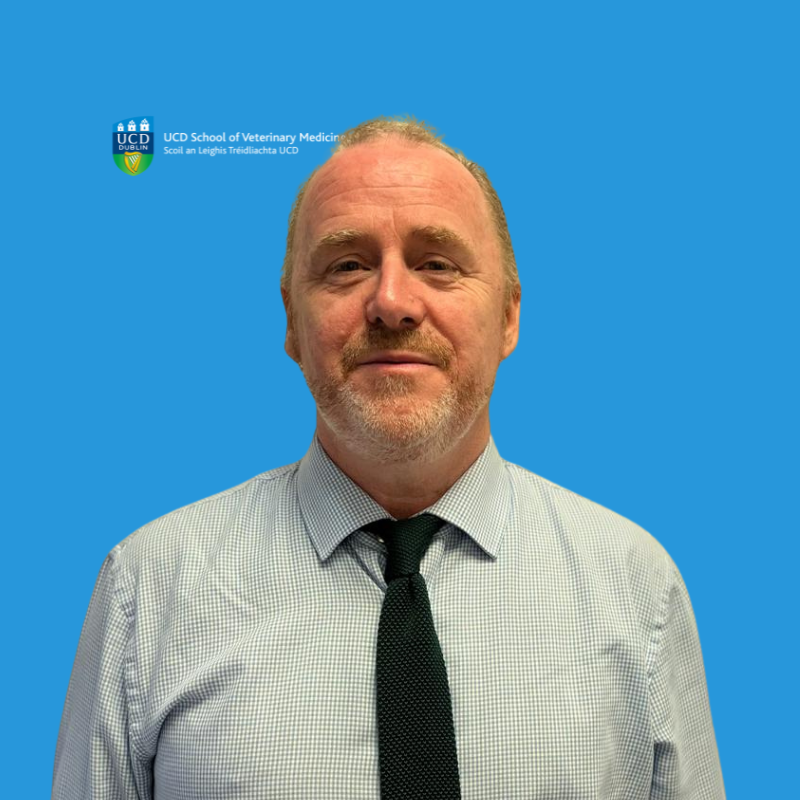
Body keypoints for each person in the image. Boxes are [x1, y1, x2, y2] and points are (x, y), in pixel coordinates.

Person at [53, 117, 725, 799]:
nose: (393, 303)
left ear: (510, 316)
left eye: (437, 262)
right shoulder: (151, 590)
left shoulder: (638, 589)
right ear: (291, 321)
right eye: (347, 266)